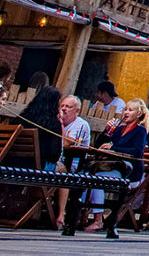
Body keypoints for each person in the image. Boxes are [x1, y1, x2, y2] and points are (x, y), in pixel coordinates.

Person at [85, 98, 149, 233]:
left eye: (130, 110)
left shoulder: (140, 130)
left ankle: (98, 220)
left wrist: (114, 149)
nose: (126, 112)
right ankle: (82, 215)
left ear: (138, 114)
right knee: (85, 176)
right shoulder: (119, 129)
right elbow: (98, 146)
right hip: (113, 167)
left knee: (96, 179)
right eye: (125, 109)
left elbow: (137, 151)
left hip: (129, 172)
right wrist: (106, 132)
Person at [54, 94, 92, 228]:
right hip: (58, 161)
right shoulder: (55, 120)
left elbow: (67, 144)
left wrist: (60, 125)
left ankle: (61, 215)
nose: (64, 109)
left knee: (64, 173)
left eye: (68, 107)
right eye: (62, 106)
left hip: (75, 164)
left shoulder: (81, 125)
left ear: (77, 111)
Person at [18, 84, 62, 170]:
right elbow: (54, 156)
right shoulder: (53, 124)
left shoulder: (21, 118)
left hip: (10, 164)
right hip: (33, 168)